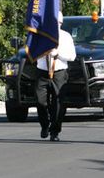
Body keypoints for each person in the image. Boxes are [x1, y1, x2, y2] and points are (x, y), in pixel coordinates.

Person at [35, 12, 76, 142]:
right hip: (42, 71)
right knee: (40, 101)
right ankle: (45, 125)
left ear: (60, 23)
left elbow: (72, 56)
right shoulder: (40, 35)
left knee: (58, 103)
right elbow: (32, 51)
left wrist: (58, 54)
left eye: (56, 23)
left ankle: (55, 131)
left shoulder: (66, 36)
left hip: (59, 72)